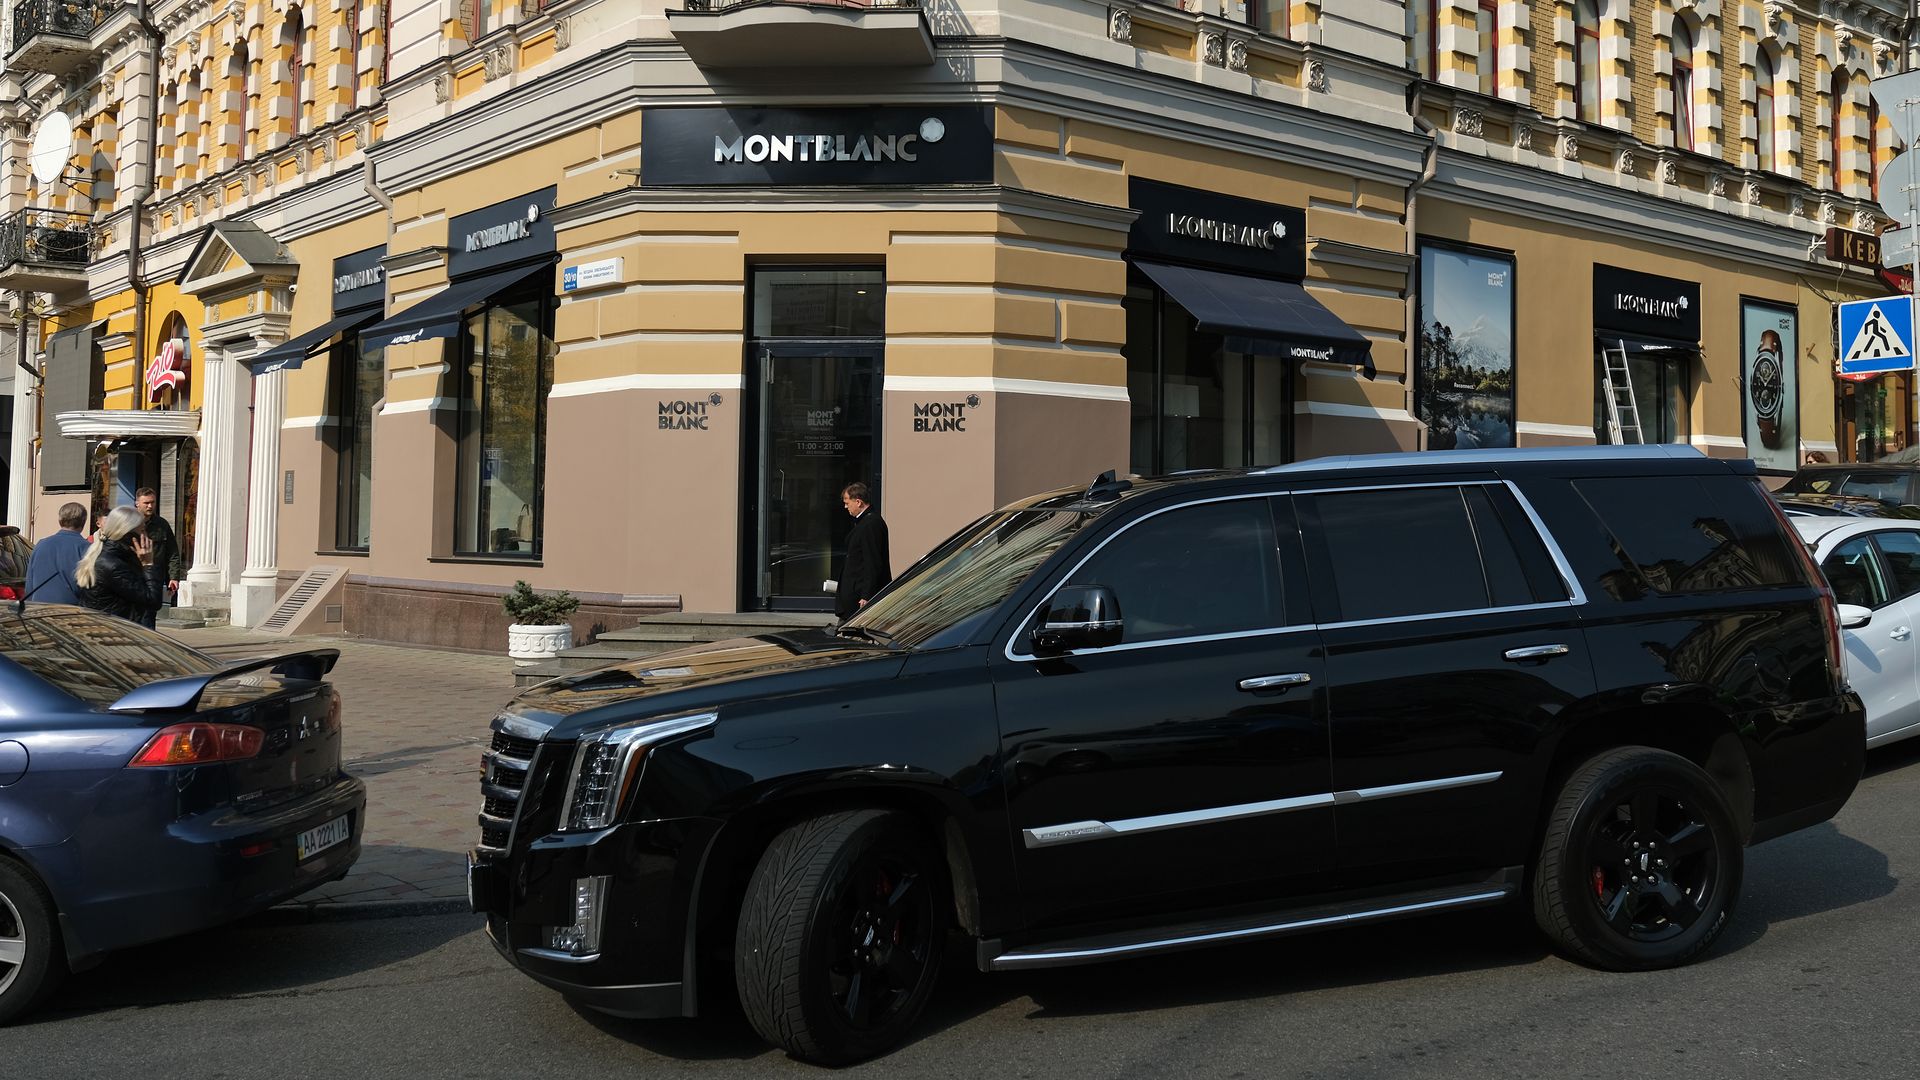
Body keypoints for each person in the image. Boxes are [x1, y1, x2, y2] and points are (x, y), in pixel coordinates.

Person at [75, 505, 168, 626]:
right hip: (112, 633)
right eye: (142, 531)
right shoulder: (112, 565)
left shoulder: (118, 556)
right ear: (128, 534)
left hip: (114, 629)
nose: (146, 536)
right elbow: (152, 601)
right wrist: (149, 565)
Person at [835, 481, 891, 622]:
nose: (845, 507)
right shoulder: (865, 522)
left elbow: (872, 562)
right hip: (855, 595)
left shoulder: (871, 524)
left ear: (858, 502)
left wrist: (867, 595)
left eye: (847, 503)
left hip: (859, 598)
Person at [21, 502, 90, 606]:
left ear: (59, 520)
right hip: (71, 612)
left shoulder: (41, 544)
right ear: (83, 521)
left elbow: (30, 583)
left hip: (39, 610)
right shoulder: (87, 548)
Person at [134, 487, 181, 625]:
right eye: (146, 503)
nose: (150, 506)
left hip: (154, 577)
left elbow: (172, 552)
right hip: (133, 576)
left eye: (153, 502)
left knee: (149, 615)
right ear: (137, 503)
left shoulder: (162, 525)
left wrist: (173, 577)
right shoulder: (129, 522)